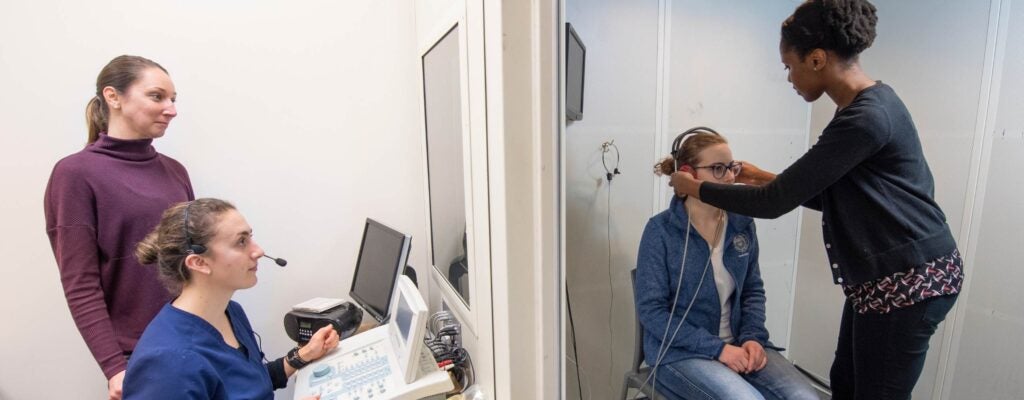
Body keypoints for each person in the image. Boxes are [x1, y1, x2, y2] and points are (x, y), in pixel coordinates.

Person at [669, 1, 964, 399]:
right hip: (882, 281)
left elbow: (775, 203)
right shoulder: (866, 108)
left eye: (789, 66)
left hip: (910, 280)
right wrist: (760, 177)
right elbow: (842, 199)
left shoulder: (866, 118)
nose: (788, 77)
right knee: (845, 381)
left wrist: (696, 188)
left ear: (817, 58)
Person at [44, 55, 193, 399]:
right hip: (140, 354)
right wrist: (115, 367)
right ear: (113, 97)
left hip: (194, 339)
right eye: (157, 97)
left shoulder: (175, 171)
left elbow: (191, 264)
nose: (171, 109)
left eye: (173, 99)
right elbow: (80, 281)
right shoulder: (75, 174)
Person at [636, 129, 818, 400]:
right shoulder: (661, 231)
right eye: (718, 169)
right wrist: (717, 350)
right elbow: (652, 312)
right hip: (679, 354)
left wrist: (753, 338)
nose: (731, 177)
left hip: (739, 344)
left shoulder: (741, 223)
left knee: (806, 398)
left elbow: (752, 290)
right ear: (687, 173)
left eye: (731, 167)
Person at [123, 198, 340, 399]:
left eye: (250, 237)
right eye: (241, 242)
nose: (258, 251)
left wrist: (304, 355)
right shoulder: (169, 363)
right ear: (199, 263)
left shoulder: (230, 312)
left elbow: (250, 386)